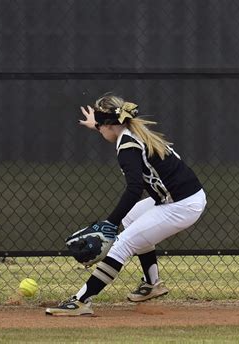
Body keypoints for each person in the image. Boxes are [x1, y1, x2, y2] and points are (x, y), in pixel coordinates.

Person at [46, 94, 206, 316]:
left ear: (111, 125)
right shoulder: (132, 131)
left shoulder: (127, 147)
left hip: (181, 205)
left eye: (100, 127)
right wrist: (97, 124)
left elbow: (134, 189)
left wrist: (110, 223)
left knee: (122, 243)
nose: (99, 130)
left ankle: (82, 301)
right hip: (178, 196)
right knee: (130, 219)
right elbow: (111, 128)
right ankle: (152, 284)